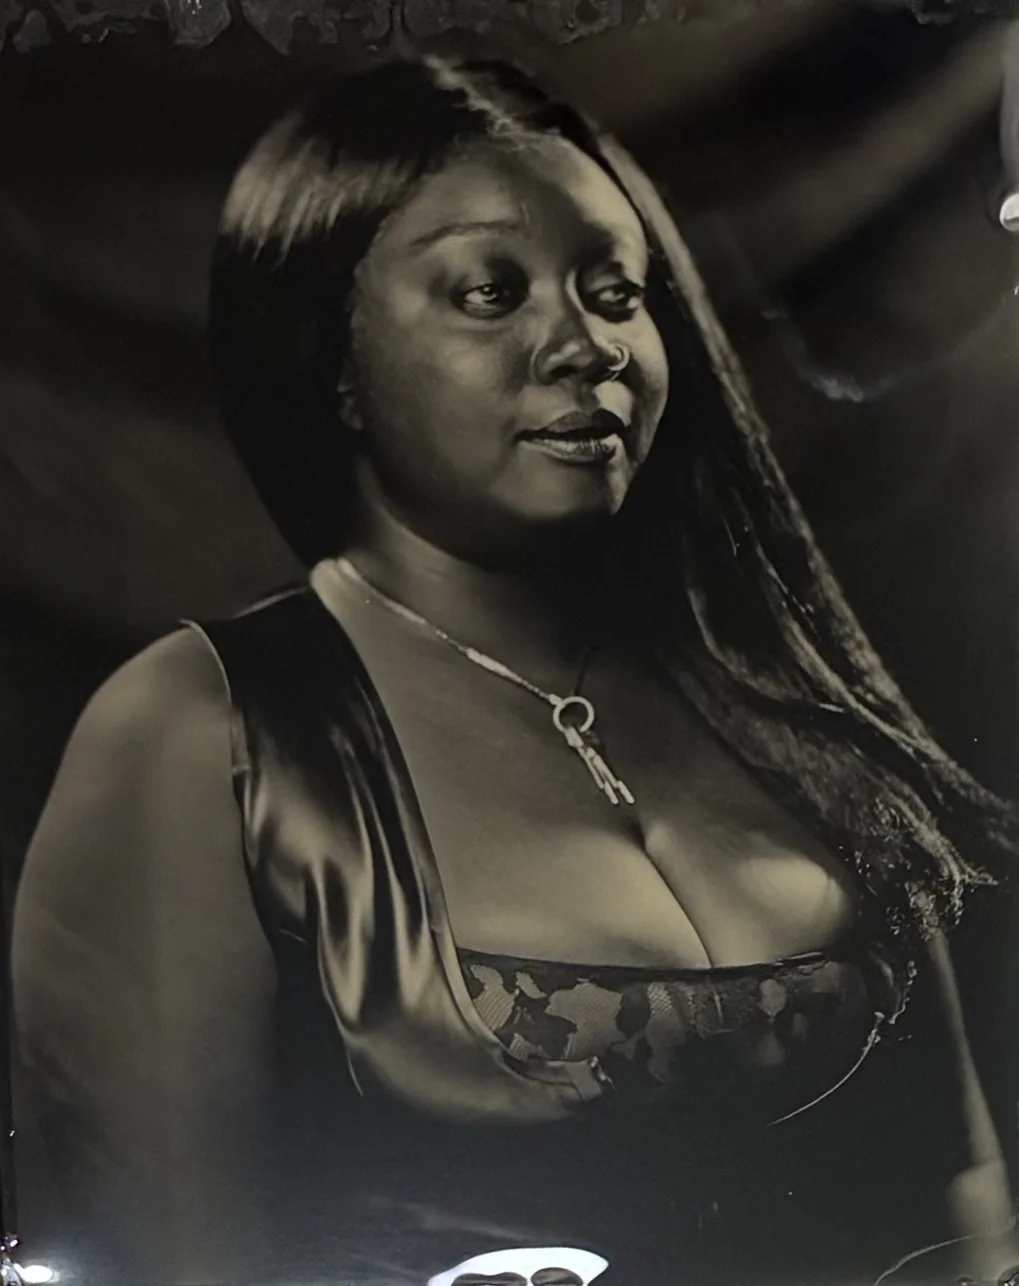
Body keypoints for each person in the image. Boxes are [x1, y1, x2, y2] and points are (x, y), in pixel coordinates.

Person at [9, 55, 1019, 1286]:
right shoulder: (199, 730)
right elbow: (153, 1257)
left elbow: (969, 1210)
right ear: (333, 354)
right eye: (489, 291)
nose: (583, 343)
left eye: (615, 289)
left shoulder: (774, 701)